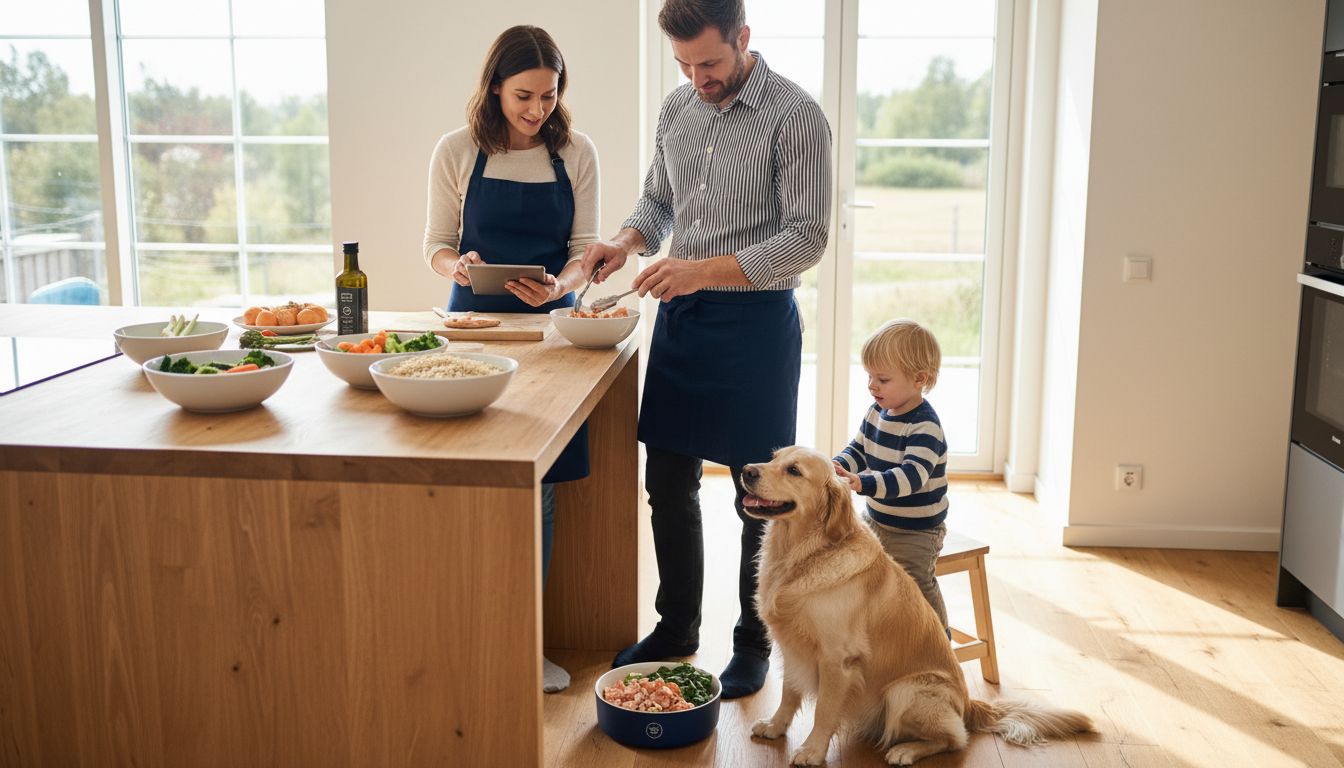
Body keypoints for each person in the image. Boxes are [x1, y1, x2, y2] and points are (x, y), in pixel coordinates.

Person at [581, 0, 832, 698]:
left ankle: (753, 642)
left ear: (744, 38)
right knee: (666, 481)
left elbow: (806, 238)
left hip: (754, 327)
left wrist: (700, 269)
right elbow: (658, 203)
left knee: (759, 499)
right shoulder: (677, 109)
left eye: (711, 63)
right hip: (683, 321)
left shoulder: (796, 114)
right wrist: (624, 242)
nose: (698, 78)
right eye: (685, 65)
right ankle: (676, 628)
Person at [422, 24, 600, 693]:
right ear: (494, 86)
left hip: (551, 336)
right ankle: (464, 638)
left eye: (549, 96)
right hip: (472, 332)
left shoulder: (576, 152)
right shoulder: (457, 150)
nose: (536, 109)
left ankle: (528, 644)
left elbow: (586, 250)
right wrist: (458, 265)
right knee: (465, 481)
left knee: (543, 490)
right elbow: (436, 244)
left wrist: (563, 285)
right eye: (523, 95)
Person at [831, 319, 951, 635]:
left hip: (917, 531)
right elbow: (858, 448)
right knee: (852, 566)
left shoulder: (924, 426)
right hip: (877, 520)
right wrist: (839, 466)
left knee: (914, 581)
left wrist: (863, 483)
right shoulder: (876, 411)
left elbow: (911, 476)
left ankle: (937, 641)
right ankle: (870, 633)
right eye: (870, 376)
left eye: (883, 379)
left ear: (919, 379)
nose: (873, 386)